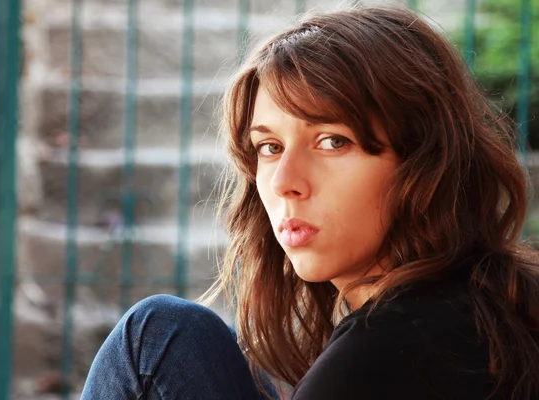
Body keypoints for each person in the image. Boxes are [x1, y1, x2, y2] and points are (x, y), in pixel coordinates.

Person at [81, 5, 539, 399]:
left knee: (157, 334)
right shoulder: (487, 305)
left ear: (423, 160)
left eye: (332, 141)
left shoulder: (382, 351)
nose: (284, 182)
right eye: (269, 147)